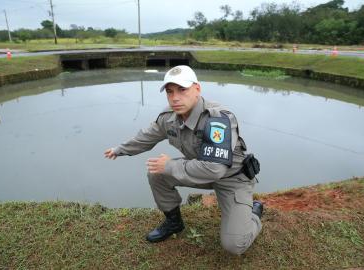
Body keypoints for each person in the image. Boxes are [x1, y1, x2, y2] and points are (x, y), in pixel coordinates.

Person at [104, 65, 263, 255]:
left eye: (182, 90)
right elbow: (146, 137)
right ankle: (174, 222)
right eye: (170, 92)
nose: (175, 98)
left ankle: (253, 214)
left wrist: (171, 165)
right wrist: (119, 150)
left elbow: (215, 169)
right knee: (157, 172)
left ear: (197, 89)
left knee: (234, 245)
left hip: (232, 178)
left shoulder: (217, 119)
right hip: (198, 170)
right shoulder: (169, 117)